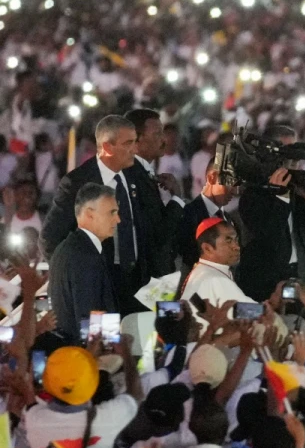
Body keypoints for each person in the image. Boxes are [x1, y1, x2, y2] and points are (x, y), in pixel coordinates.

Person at [42, 115, 175, 314]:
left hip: (142, 285)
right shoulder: (78, 183)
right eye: (127, 143)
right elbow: (50, 239)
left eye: (134, 141)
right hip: (102, 289)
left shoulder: (137, 175)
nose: (134, 148)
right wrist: (79, 278)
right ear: (107, 147)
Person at [236, 166, 305, 338]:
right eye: (288, 160)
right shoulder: (253, 196)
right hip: (270, 282)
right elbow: (270, 235)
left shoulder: (300, 194)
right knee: (276, 338)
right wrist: (280, 196)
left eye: (296, 161)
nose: (293, 168)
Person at [48, 183, 119, 343]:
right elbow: (89, 318)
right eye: (112, 213)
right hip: (86, 357)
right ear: (89, 214)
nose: (118, 219)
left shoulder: (65, 248)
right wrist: (111, 349)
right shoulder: (86, 256)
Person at [176, 156, 237, 274]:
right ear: (212, 177)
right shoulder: (188, 216)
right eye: (230, 183)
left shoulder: (229, 220)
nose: (235, 191)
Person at [181, 218, 257, 308]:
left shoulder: (204, 270)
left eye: (236, 240)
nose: (237, 247)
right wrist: (271, 307)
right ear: (207, 248)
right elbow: (246, 311)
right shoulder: (213, 279)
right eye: (228, 241)